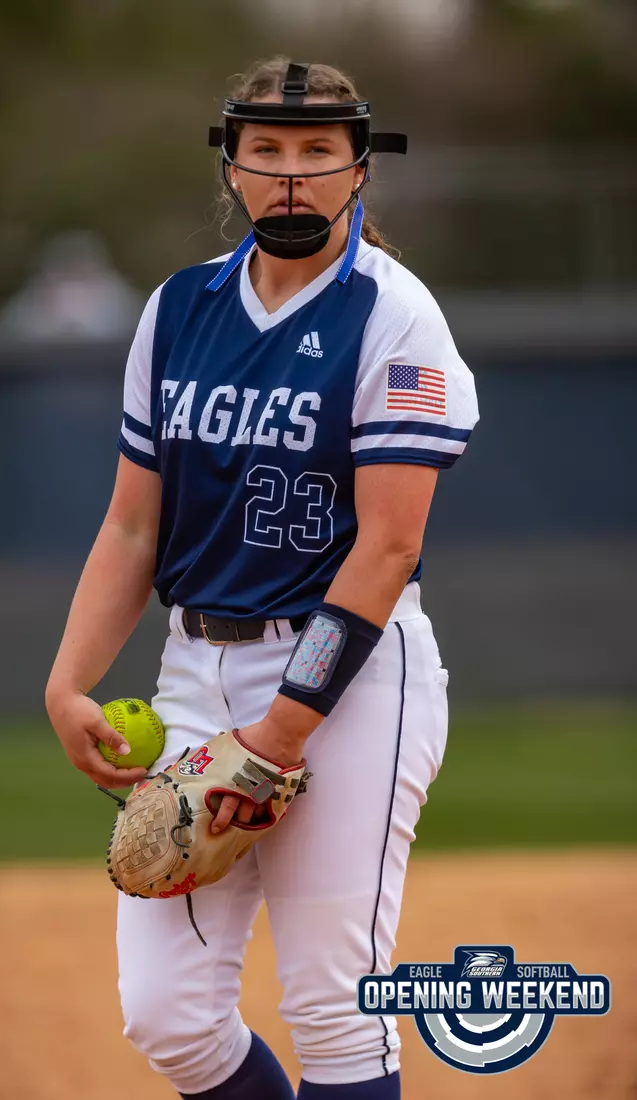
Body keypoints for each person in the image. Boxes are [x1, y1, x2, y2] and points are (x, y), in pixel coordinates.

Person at [46, 57, 479, 1100]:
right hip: (195, 671)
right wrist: (67, 680)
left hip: (347, 685)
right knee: (167, 1015)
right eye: (267, 150)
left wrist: (279, 735)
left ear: (358, 168)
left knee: (335, 1008)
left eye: (318, 151)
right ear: (231, 167)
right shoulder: (178, 308)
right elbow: (132, 522)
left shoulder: (394, 315)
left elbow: (387, 549)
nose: (291, 175)